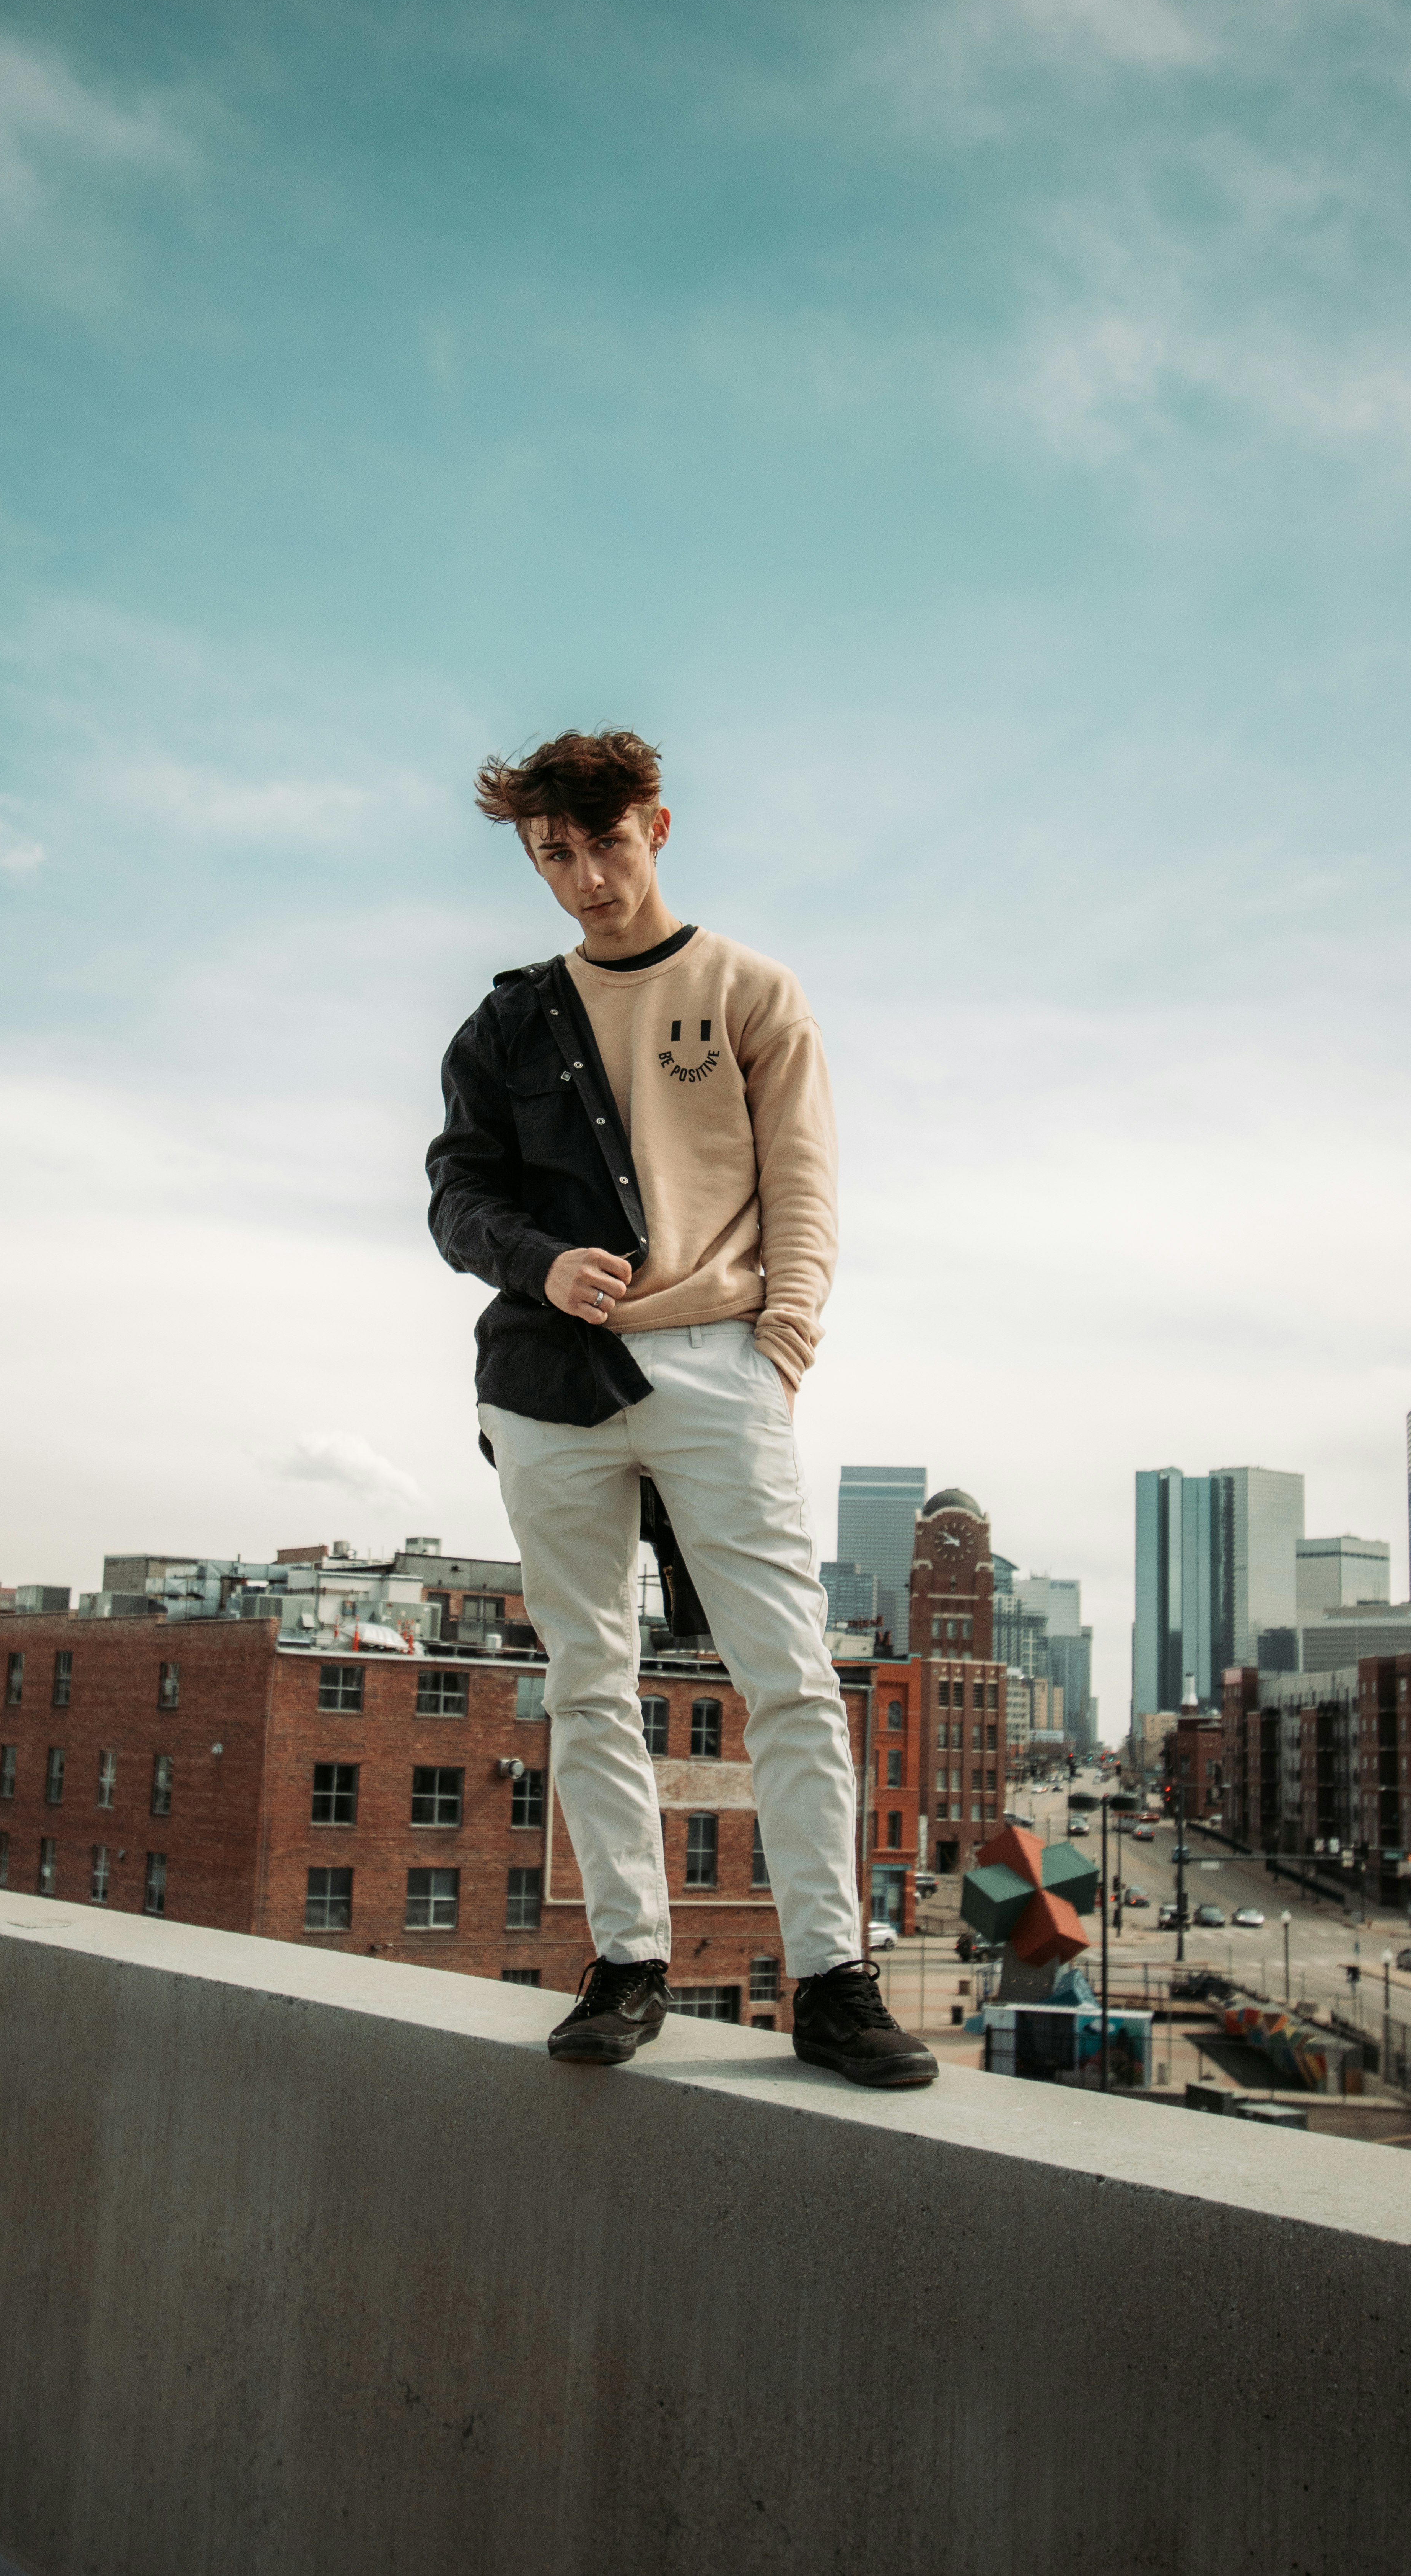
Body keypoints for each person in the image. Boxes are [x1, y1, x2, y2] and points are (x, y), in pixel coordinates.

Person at [425, 727, 935, 2087]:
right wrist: (540, 1262)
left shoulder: (749, 989)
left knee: (793, 1680)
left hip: (719, 1363)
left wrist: (779, 1348)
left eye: (605, 844)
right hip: (548, 1384)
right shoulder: (505, 1023)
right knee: (589, 1679)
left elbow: (807, 1184)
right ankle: (629, 1962)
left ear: (659, 826)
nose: (586, 878)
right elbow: (456, 1197)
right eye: (555, 854)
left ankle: (832, 1978)